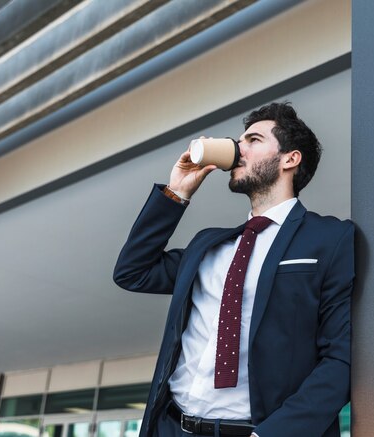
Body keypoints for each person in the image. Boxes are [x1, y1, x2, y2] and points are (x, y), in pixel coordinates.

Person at [113, 102, 354, 437]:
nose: (239, 149)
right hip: (172, 426)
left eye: (253, 140)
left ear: (290, 158)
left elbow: (342, 358)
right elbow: (132, 272)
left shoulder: (330, 239)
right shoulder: (208, 246)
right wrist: (177, 192)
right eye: (239, 142)